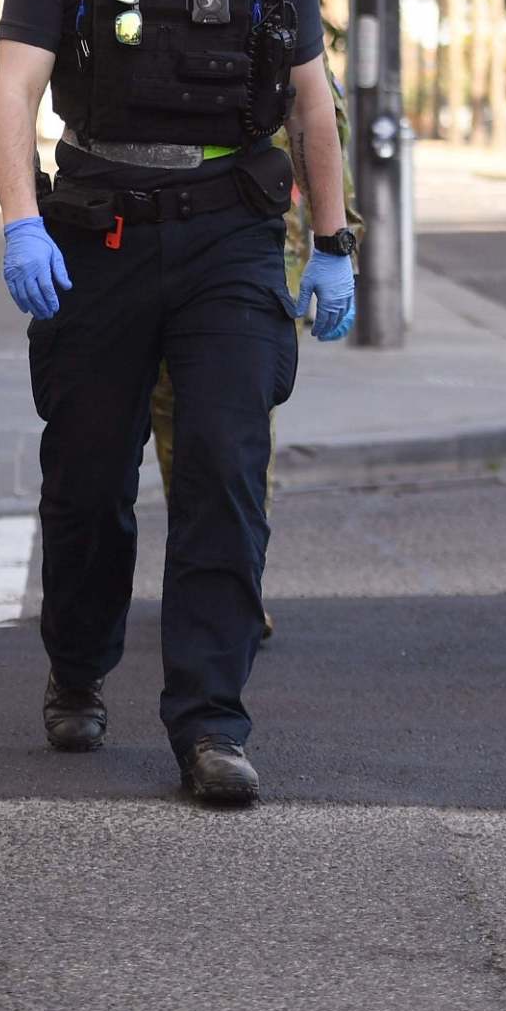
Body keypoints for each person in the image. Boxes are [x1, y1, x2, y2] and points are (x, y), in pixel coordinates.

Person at [0, 0, 356, 806]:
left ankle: (210, 722)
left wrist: (332, 246)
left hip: (229, 232)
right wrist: (21, 221)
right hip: (96, 230)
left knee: (224, 471)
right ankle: (78, 660)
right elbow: (15, 91)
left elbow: (312, 102)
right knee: (90, 475)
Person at [146, 53, 361, 642]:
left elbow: (329, 151)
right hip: (172, 257)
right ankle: (200, 575)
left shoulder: (292, 46)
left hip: (264, 269)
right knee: (171, 426)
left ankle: (236, 587)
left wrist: (341, 249)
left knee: (237, 441)